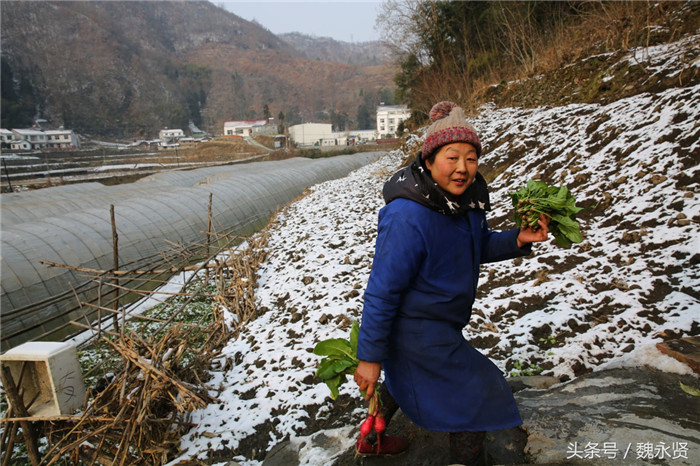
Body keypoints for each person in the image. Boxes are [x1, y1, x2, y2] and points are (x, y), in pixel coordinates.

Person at [353, 101, 550, 464]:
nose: (463, 169)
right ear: (428, 161)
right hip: (414, 328)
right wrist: (369, 356)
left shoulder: (463, 204)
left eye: (471, 158)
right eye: (452, 157)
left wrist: (518, 239)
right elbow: (382, 291)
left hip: (441, 323)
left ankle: (372, 439)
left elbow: (478, 246)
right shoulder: (407, 216)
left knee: (401, 380)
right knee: (475, 390)